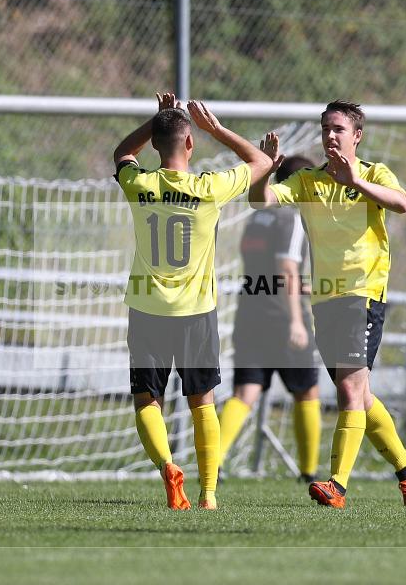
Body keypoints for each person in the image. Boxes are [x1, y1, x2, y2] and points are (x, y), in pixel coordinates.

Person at [249, 101, 406, 510]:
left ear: (356, 136)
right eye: (326, 128)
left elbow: (401, 203)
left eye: (339, 129)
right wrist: (266, 171)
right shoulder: (309, 181)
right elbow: (262, 201)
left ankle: (337, 486)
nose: (330, 135)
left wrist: (356, 182)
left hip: (362, 296)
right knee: (361, 396)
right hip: (325, 298)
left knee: (349, 390)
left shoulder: (373, 173)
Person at [114, 93, 272, 510]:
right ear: (190, 144)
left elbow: (121, 153)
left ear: (153, 145)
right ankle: (208, 495)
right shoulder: (209, 188)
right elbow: (261, 163)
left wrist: (157, 120)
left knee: (147, 400)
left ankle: (167, 466)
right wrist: (215, 129)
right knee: (202, 402)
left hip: (146, 309)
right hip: (195, 313)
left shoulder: (140, 184)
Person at [219, 155, 321, 482]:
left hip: (250, 311)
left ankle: (213, 461)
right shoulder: (290, 217)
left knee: (246, 391)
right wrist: (295, 320)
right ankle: (308, 471)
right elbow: (287, 268)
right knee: (307, 392)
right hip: (281, 316)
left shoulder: (258, 216)